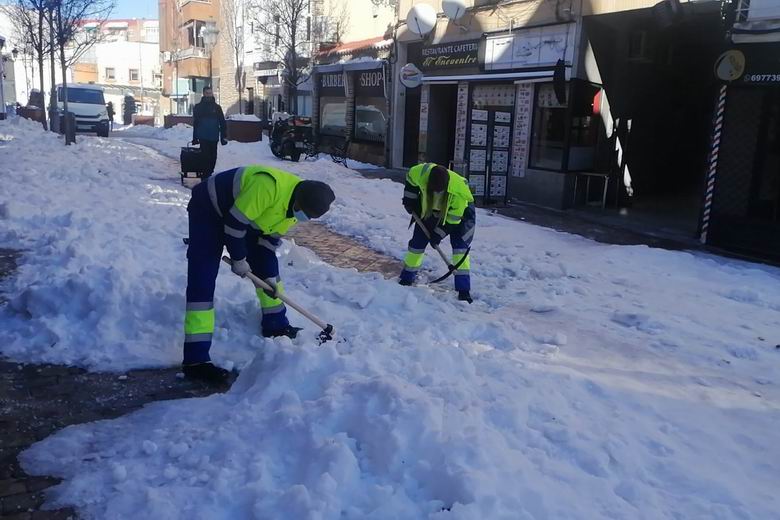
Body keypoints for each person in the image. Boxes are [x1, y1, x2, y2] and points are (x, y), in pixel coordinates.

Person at [183, 164, 336, 384]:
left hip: (242, 218)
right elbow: (234, 225)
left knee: (269, 271)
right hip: (209, 208)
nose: (304, 217)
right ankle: (196, 361)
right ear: (298, 200)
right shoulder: (267, 187)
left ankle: (276, 325)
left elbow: (266, 243)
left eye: (309, 217)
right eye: (304, 212)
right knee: (202, 279)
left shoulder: (294, 210)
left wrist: (268, 278)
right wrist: (239, 259)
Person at [399, 163, 476, 303]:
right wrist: (409, 199)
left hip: (460, 214)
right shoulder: (420, 173)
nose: (436, 193)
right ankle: (407, 278)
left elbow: (453, 220)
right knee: (417, 244)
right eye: (433, 190)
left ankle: (463, 290)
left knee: (460, 248)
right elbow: (410, 178)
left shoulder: (459, 193)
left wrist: (438, 234)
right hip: (429, 208)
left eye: (439, 191)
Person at [192, 86, 227, 178]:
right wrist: (195, 138)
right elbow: (196, 123)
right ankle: (205, 175)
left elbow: (222, 122)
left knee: (213, 157)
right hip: (203, 136)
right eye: (207, 93)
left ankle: (209, 172)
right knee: (205, 156)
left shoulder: (217, 108)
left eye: (210, 93)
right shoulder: (198, 107)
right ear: (203, 94)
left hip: (214, 136)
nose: (209, 95)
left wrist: (223, 137)